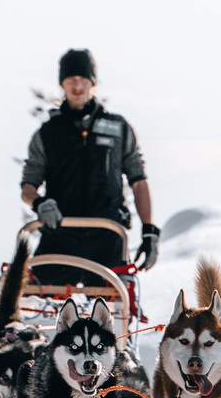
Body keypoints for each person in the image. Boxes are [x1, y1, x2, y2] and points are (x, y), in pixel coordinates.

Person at [21, 48, 160, 285]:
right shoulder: (47, 134)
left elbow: (138, 180)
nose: (77, 85)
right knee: (35, 300)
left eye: (83, 78)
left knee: (114, 308)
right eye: (71, 79)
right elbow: (28, 186)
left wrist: (149, 230)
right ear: (62, 84)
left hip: (107, 235)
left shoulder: (118, 129)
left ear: (92, 83)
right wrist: (40, 203)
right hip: (60, 234)